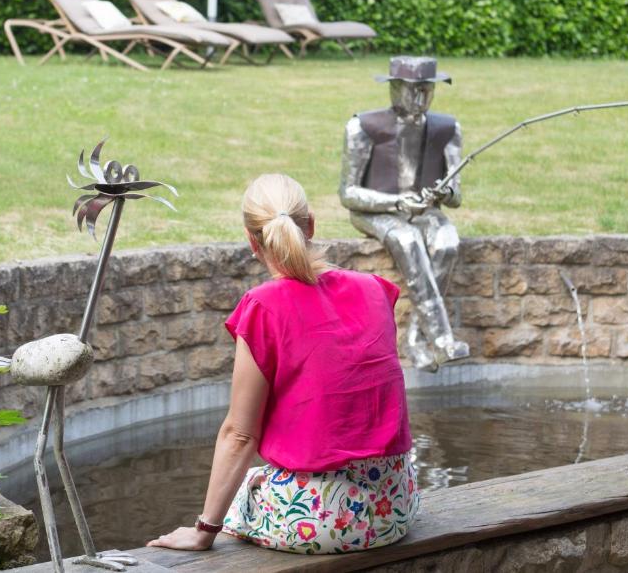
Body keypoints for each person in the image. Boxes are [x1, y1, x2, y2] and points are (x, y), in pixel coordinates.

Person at [147, 173, 420, 554]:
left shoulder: (263, 306)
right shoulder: (374, 288)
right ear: (311, 225)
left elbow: (240, 435)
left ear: (251, 241)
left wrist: (204, 530)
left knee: (245, 490)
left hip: (327, 522)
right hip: (395, 506)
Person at [339, 55, 470, 372]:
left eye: (427, 90)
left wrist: (444, 192)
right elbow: (348, 193)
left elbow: (456, 196)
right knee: (408, 240)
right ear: (394, 88)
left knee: (448, 243)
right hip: (374, 212)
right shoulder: (363, 127)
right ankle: (442, 340)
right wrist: (396, 202)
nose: (420, 99)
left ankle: (415, 340)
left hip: (423, 211)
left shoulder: (447, 129)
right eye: (413, 90)